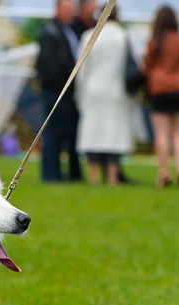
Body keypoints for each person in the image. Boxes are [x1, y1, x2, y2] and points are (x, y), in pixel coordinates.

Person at [76, 5, 133, 186]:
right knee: (114, 137)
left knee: (92, 136)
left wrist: (80, 94)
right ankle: (112, 179)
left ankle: (93, 179)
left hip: (93, 91)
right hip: (117, 93)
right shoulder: (123, 36)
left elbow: (81, 70)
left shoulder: (89, 36)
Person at [144, 5, 179, 188]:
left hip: (160, 89)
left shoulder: (156, 40)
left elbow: (147, 65)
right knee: (178, 132)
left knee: (161, 133)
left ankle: (163, 173)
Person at [36, 0, 82, 183]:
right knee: (52, 132)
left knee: (61, 132)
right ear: (58, 9)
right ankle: (50, 174)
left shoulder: (66, 30)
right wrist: (62, 84)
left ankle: (58, 172)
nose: (72, 13)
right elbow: (49, 64)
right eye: (68, 9)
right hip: (55, 91)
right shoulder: (50, 31)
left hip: (64, 91)